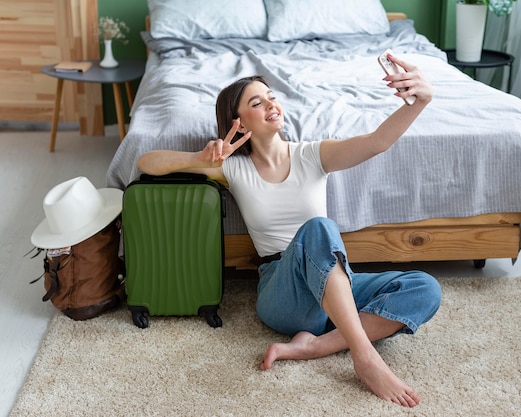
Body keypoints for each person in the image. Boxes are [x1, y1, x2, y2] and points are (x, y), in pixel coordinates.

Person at [137, 54, 441, 408]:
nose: (271, 104)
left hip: (334, 280)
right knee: (318, 229)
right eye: (257, 102)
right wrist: (197, 160)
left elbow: (377, 142)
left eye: (272, 97)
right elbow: (147, 162)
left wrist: (421, 102)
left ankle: (315, 346)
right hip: (283, 292)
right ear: (238, 121)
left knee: (425, 288)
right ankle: (366, 358)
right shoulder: (233, 169)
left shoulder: (312, 155)